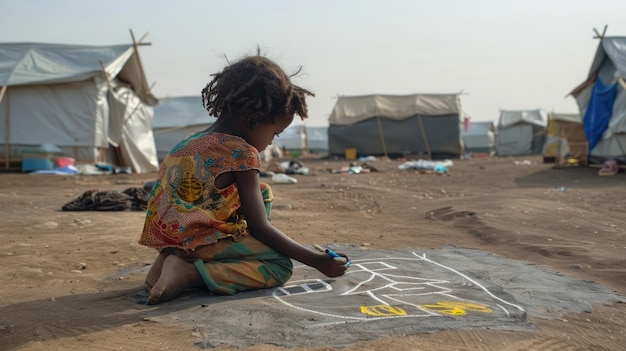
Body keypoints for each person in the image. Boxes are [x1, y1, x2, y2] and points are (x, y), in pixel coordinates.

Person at [138, 53, 350, 305]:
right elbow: (260, 226)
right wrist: (316, 261)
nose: (272, 141)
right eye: (275, 133)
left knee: (261, 191)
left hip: (172, 238)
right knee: (278, 265)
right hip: (201, 242)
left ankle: (167, 262)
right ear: (255, 119)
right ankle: (190, 273)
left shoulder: (189, 142)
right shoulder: (240, 153)